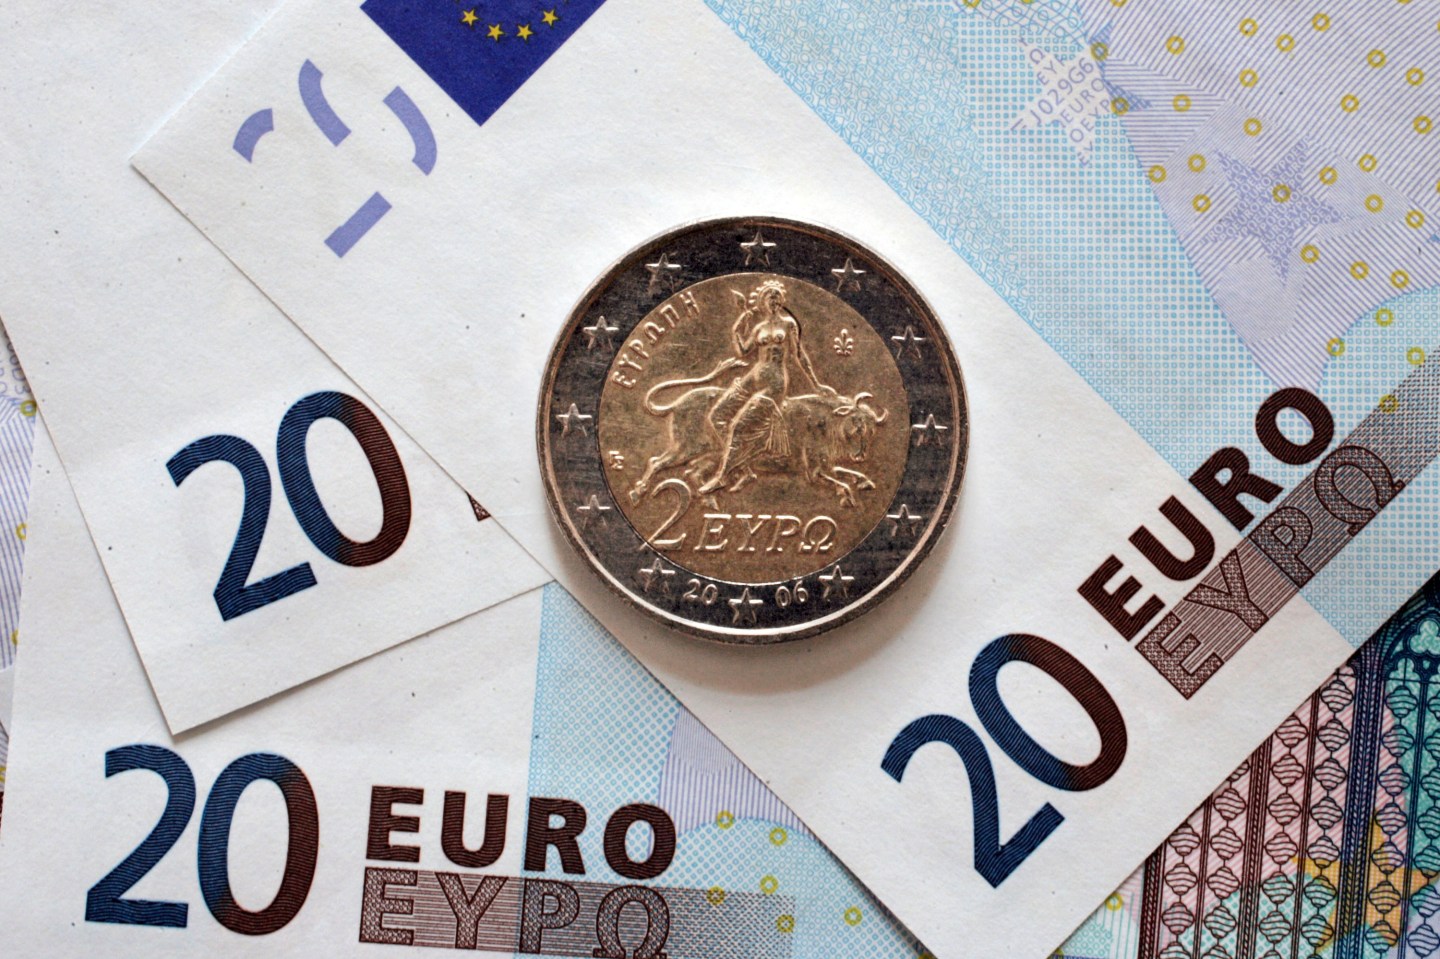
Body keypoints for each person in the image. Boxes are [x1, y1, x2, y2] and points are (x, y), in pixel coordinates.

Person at [698, 279, 834, 494]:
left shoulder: (788, 324)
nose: (774, 300)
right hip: (753, 377)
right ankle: (744, 469)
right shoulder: (759, 327)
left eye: (777, 297)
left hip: (775, 382)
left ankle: (722, 476)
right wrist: (737, 327)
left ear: (782, 301)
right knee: (716, 417)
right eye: (769, 296)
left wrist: (816, 384)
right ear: (762, 301)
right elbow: (743, 351)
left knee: (737, 426)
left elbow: (799, 354)